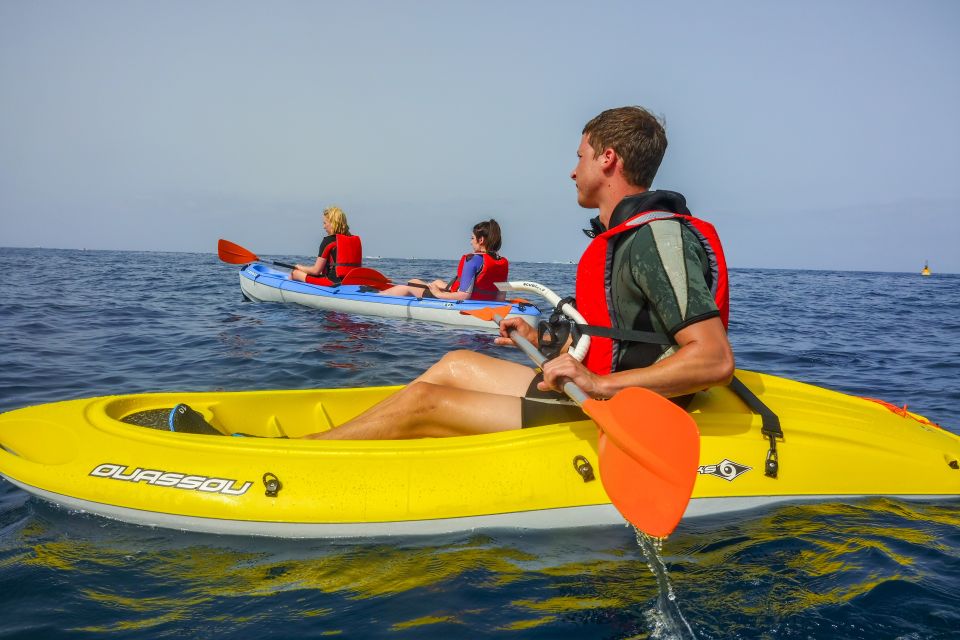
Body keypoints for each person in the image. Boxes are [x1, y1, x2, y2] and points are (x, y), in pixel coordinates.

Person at [303, 106, 734, 440]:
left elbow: (713, 359)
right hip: (594, 394)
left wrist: (599, 385)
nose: (572, 170)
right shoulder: (620, 238)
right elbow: (611, 337)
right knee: (455, 363)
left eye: (579, 157)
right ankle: (352, 437)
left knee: (424, 401)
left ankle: (307, 455)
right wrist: (541, 340)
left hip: (620, 411)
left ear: (607, 159)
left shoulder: (656, 239)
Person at [380, 219, 509, 301]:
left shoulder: (473, 259)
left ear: (481, 240)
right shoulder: (502, 262)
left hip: (464, 302)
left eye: (472, 238)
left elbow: (464, 295)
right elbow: (501, 297)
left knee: (405, 288)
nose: (471, 242)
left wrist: (438, 294)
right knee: (419, 281)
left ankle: (375, 297)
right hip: (482, 300)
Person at [290, 206, 362, 286]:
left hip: (333, 284)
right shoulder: (353, 240)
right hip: (352, 283)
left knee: (295, 273)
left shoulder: (328, 241)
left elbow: (316, 270)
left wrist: (300, 267)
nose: (323, 227)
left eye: (325, 223)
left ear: (332, 223)